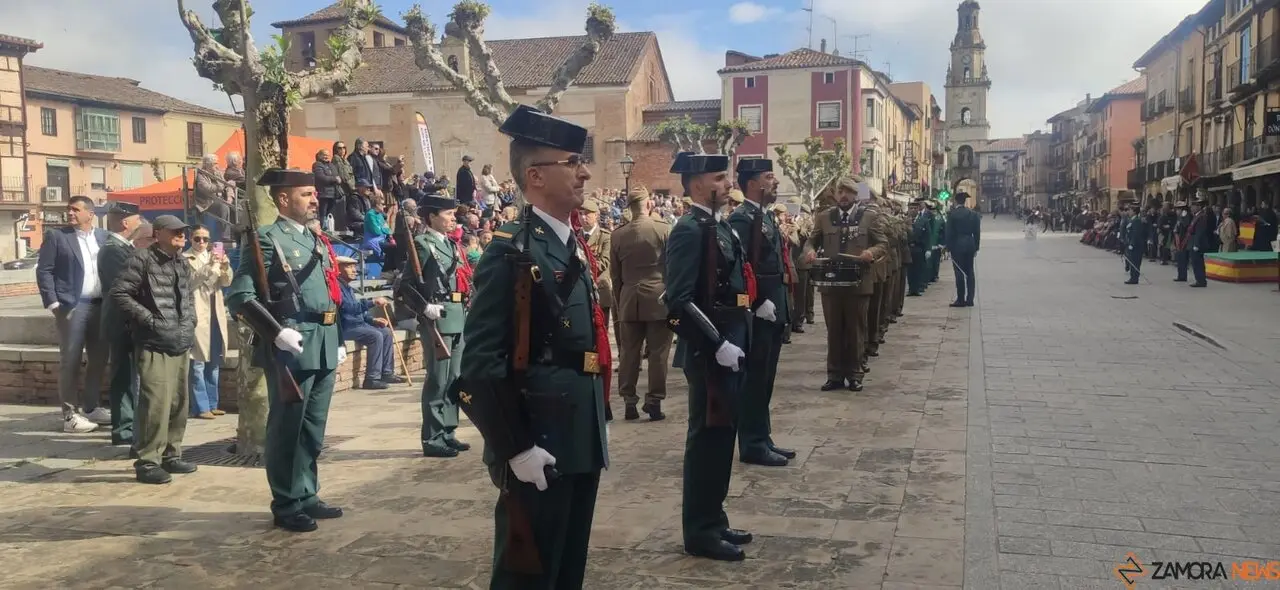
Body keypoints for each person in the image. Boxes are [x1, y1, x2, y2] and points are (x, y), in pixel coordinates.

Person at [458, 105, 609, 587]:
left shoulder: (569, 243)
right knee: (528, 572)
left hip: (578, 426)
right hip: (538, 433)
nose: (585, 172)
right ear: (536, 175)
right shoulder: (512, 250)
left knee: (567, 566)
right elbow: (479, 367)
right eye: (573, 162)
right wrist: (516, 448)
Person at [226, 168, 349, 533]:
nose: (315, 200)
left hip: (324, 341)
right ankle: (286, 501)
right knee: (287, 428)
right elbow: (241, 295)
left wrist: (338, 338)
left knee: (313, 427)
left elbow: (330, 293)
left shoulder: (315, 240)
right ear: (283, 199)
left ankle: (307, 493)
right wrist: (275, 332)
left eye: (314, 194)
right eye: (307, 194)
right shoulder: (266, 239)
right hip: (292, 345)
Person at [664, 151, 753, 561]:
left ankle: (714, 518)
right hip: (709, 351)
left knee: (722, 439)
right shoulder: (688, 229)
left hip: (730, 346)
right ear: (696, 183)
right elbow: (678, 300)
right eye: (719, 177)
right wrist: (717, 343)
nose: (727, 183)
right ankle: (699, 530)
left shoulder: (717, 225)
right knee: (706, 440)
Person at [109, 215, 198, 484]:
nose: (181, 236)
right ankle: (148, 461)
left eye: (183, 232)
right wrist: (150, 320)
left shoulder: (182, 262)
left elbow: (188, 296)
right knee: (155, 404)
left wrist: (190, 321)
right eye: (175, 232)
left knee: (178, 403)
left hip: (181, 340)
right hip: (154, 342)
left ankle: (172, 455)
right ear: (158, 233)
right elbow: (119, 293)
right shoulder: (141, 259)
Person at [727, 157, 793, 467]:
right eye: (769, 176)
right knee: (754, 381)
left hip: (773, 310)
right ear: (752, 183)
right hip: (759, 313)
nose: (775, 181)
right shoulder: (742, 218)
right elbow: (742, 267)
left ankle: (762, 436)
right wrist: (756, 302)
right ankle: (752, 444)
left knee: (765, 378)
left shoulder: (762, 217)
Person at [801, 177, 886, 392]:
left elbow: (882, 244)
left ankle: (855, 373)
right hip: (831, 283)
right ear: (836, 195)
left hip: (858, 282)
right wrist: (809, 251)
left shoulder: (869, 218)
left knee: (856, 329)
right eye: (841, 192)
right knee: (834, 330)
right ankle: (835, 374)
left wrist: (871, 252)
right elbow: (812, 240)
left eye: (848, 192)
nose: (844, 196)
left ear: (856, 195)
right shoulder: (824, 217)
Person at [37, 196, 111, 433]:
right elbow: (44, 270)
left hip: (100, 306)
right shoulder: (57, 237)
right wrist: (54, 303)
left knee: (99, 359)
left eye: (75, 209)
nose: (70, 213)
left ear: (90, 214)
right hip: (71, 307)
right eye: (68, 209)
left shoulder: (103, 238)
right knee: (70, 361)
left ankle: (91, 407)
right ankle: (70, 415)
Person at [415, 192, 472, 458]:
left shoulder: (451, 245)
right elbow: (405, 286)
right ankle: (433, 436)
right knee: (437, 380)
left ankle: (448, 430)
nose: (453, 218)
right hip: (438, 318)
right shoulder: (422, 244)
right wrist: (424, 306)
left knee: (454, 379)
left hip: (458, 314)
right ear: (431, 217)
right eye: (447, 214)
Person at [609, 186, 672, 422]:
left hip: (628, 299)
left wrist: (620, 299)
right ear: (648, 204)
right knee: (658, 354)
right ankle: (654, 401)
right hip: (658, 298)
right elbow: (672, 269)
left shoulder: (617, 235)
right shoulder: (663, 230)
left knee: (628, 352)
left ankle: (629, 401)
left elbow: (615, 276)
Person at [98, 201, 144, 446]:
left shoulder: (124, 247)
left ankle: (129, 423)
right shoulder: (113, 250)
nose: (140, 223)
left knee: (129, 374)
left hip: (127, 322)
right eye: (138, 219)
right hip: (120, 322)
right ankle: (123, 428)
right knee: (123, 376)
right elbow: (126, 285)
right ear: (126, 222)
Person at [185, 225, 233, 418]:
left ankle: (213, 403)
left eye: (205, 239)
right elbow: (192, 282)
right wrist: (209, 266)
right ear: (191, 239)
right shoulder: (186, 258)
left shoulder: (215, 257)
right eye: (198, 239)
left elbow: (227, 282)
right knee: (197, 361)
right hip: (198, 312)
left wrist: (225, 266)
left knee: (214, 361)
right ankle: (201, 406)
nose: (202, 243)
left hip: (216, 311)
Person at [336, 256, 402, 389]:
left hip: (359, 324)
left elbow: (359, 310)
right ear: (338, 268)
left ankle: (387, 372)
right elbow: (348, 307)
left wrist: (373, 320)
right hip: (347, 327)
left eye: (355, 266)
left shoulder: (348, 287)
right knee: (375, 336)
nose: (354, 270)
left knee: (386, 332)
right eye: (349, 266)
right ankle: (372, 378)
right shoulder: (337, 286)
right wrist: (372, 302)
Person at [946, 193, 981, 307]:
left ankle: (960, 299)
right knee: (970, 271)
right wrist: (976, 246)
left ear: (956, 201)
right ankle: (970, 299)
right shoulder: (973, 214)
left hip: (957, 244)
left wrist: (948, 247)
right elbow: (977, 232)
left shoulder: (952, 214)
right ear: (965, 201)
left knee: (959, 271)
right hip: (970, 243)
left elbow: (949, 232)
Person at [313, 149, 343, 230]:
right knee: (322, 214)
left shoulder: (331, 165)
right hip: (323, 194)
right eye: (324, 155)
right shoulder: (317, 165)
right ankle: (322, 230)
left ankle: (329, 230)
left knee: (329, 214)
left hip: (333, 194)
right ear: (319, 155)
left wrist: (336, 178)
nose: (326, 157)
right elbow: (321, 178)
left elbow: (337, 175)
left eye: (328, 155)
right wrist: (334, 179)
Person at [1186, 198, 1212, 287]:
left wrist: (1196, 244)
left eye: (1193, 206)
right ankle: (1199, 280)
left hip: (1198, 243)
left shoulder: (1201, 216)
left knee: (1198, 263)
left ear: (1198, 207)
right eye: (1191, 206)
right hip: (1193, 241)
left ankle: (1201, 281)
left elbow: (1199, 231)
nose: (1192, 208)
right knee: (1195, 262)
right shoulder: (1196, 216)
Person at [907, 199, 930, 296]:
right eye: (910, 208)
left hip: (919, 248)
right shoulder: (904, 220)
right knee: (909, 270)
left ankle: (917, 288)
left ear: (918, 209)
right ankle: (911, 289)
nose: (912, 210)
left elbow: (927, 235)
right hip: (908, 248)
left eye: (915, 208)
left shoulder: (923, 221)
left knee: (918, 269)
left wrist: (928, 249)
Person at [1122, 203, 1149, 285]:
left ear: (1134, 212)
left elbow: (1136, 234)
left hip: (1136, 245)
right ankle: (1132, 277)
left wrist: (1132, 244)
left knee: (1135, 262)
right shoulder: (1132, 220)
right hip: (1131, 243)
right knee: (1132, 261)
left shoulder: (1137, 220)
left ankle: (1134, 278)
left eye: (1130, 210)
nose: (1128, 212)